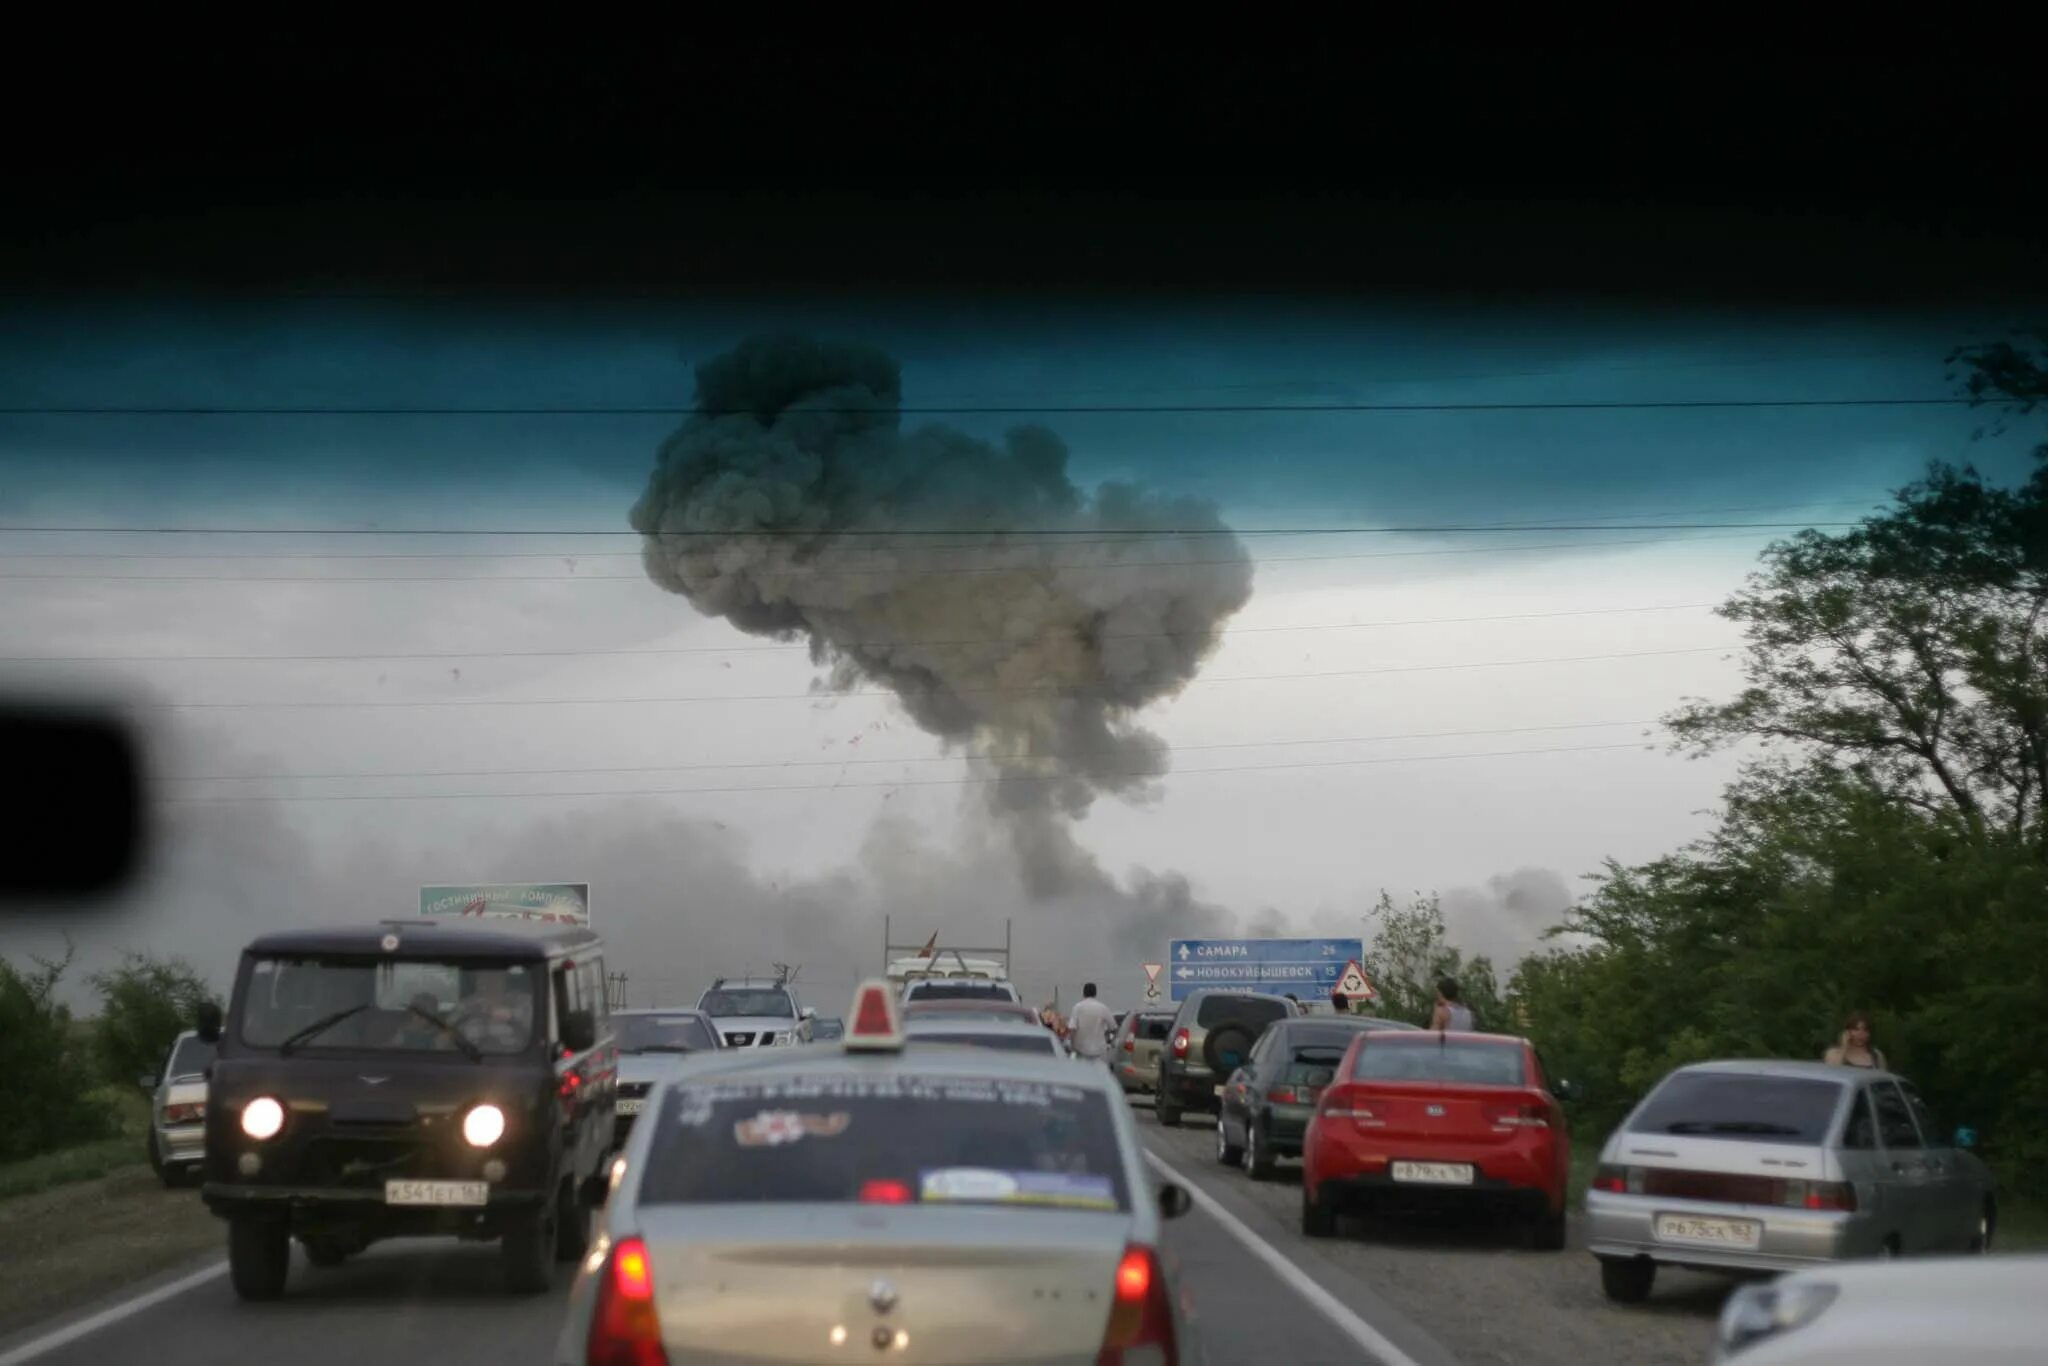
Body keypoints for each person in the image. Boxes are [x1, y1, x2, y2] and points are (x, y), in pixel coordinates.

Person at [1066, 983, 1117, 1063]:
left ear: (1083, 993)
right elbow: (1113, 1027)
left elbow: (1072, 1029)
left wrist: (1072, 1047)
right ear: (1095, 993)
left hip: (1081, 1050)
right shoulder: (1103, 1008)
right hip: (1099, 1050)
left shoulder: (1077, 1007)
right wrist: (1107, 1038)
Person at [1823, 1010, 1888, 1069]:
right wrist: (1844, 1047)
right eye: (1856, 1029)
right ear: (1847, 1031)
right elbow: (1832, 1072)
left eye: (1865, 1030)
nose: (1860, 1034)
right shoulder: (1833, 1053)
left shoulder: (1877, 1055)